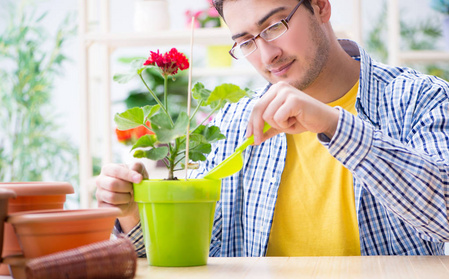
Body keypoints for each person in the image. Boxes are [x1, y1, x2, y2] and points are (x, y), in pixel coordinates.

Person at [96, 0, 449, 257]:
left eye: (274, 26)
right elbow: (203, 254)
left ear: (321, 7)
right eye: (246, 42)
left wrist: (333, 124)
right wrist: (132, 217)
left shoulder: (419, 98)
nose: (267, 56)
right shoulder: (235, 125)